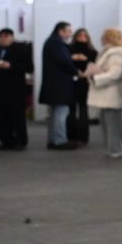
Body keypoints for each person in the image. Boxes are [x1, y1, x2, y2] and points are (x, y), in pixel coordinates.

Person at [0, 28, 34, 150]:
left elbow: (29, 67)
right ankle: (6, 140)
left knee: (17, 116)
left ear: (12, 37)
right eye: (1, 36)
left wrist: (11, 66)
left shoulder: (20, 50)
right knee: (2, 116)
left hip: (15, 88)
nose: (3, 38)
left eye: (6, 36)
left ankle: (21, 140)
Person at [85, 29, 122, 158]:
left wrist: (96, 77)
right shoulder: (109, 52)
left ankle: (116, 149)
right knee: (109, 124)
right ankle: (114, 148)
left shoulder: (117, 54)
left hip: (112, 93)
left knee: (113, 126)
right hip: (107, 93)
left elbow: (115, 74)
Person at [39, 21, 80, 150]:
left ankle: (53, 139)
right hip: (59, 85)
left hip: (53, 84)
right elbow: (64, 61)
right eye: (68, 31)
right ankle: (60, 140)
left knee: (55, 114)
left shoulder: (51, 42)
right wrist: (77, 71)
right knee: (61, 113)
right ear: (60, 31)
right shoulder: (57, 43)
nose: (70, 34)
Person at [68, 28, 97, 145]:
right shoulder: (69, 50)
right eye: (79, 36)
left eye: (84, 36)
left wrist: (86, 60)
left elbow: (94, 66)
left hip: (85, 82)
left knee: (83, 110)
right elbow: (65, 63)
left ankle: (83, 137)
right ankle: (71, 135)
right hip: (71, 81)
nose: (82, 38)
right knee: (71, 109)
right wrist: (73, 58)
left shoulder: (92, 51)